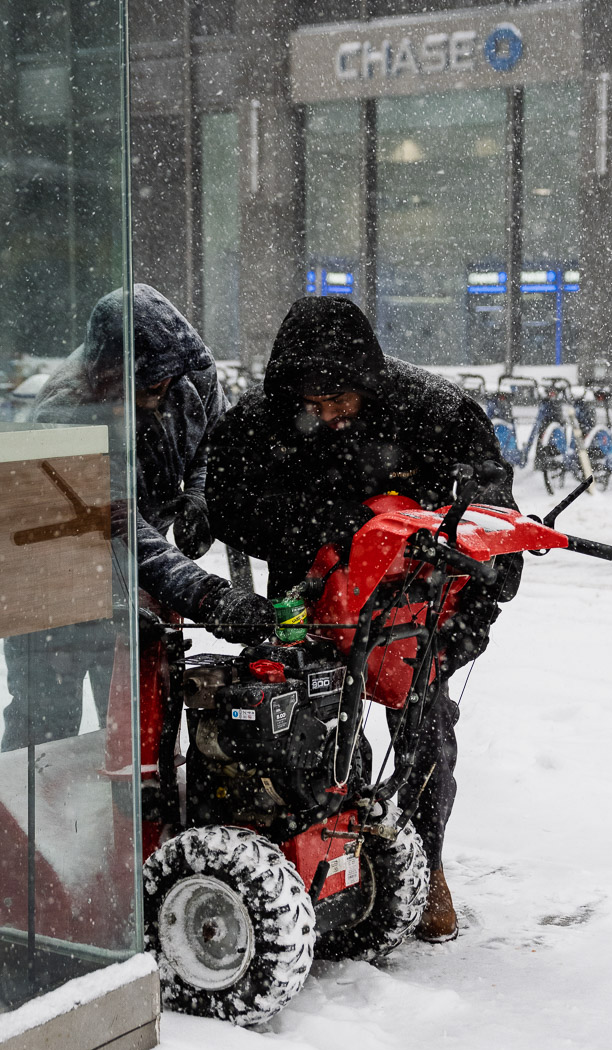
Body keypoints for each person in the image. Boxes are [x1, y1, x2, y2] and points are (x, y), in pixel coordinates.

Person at [205, 296, 521, 942]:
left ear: (368, 381)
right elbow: (228, 505)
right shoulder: (259, 423)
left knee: (424, 729)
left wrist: (470, 623)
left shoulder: (436, 413)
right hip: (310, 594)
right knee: (306, 723)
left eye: (339, 399)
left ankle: (426, 860)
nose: (327, 415)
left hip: (415, 604)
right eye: (312, 404)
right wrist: (328, 525)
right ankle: (324, 852)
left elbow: (495, 527)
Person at [2, 284, 272, 751]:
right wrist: (206, 595)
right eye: (144, 384)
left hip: (140, 570)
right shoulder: (68, 409)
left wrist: (200, 496)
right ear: (107, 371)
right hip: (54, 569)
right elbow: (118, 527)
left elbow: (216, 444)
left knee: (136, 721)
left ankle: (130, 789)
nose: (159, 390)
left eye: (163, 381)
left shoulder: (190, 371)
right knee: (45, 721)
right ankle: (33, 795)